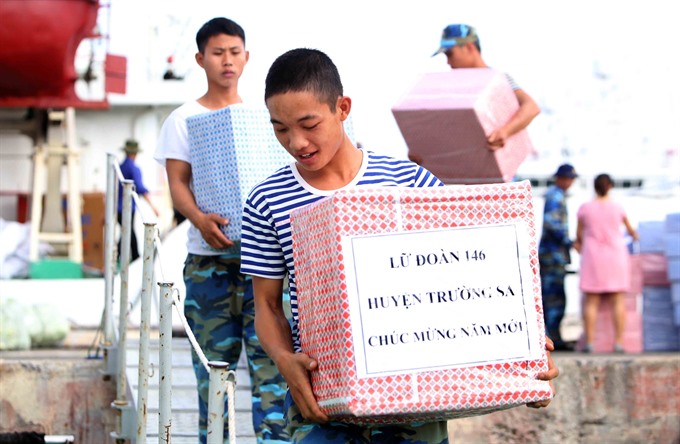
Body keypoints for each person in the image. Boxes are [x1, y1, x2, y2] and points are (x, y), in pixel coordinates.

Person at [240, 48, 559, 443]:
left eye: (309, 124)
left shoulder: (411, 184)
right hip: (323, 402)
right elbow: (267, 305)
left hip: (414, 402)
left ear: (342, 108)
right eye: (281, 129)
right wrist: (285, 360)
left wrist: (523, 347)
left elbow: (467, 281)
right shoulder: (266, 200)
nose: (297, 142)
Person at [154, 17, 289, 443]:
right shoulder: (183, 118)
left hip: (264, 265)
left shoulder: (262, 118)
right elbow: (177, 183)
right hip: (208, 264)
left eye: (234, 52)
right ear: (201, 59)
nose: (226, 61)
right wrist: (198, 219)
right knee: (212, 371)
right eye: (217, 53)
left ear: (246, 57)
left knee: (273, 368)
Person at [431, 23, 540, 151]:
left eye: (450, 54)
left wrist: (504, 132)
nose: (448, 62)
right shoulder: (450, 86)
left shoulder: (497, 80)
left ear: (469, 47)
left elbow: (531, 107)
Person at [574, 174, 639, 353]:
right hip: (616, 256)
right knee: (617, 300)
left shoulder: (585, 208)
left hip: (593, 256)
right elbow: (632, 232)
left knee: (591, 301)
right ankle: (618, 342)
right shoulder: (617, 207)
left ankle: (590, 343)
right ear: (610, 186)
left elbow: (579, 235)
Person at [539, 163, 578, 351]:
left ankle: (553, 337)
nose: (571, 182)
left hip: (552, 255)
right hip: (552, 256)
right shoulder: (555, 195)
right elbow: (551, 224)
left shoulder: (556, 194)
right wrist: (569, 242)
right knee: (554, 299)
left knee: (552, 298)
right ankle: (552, 339)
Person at [117, 139, 159, 263]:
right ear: (135, 153)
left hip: (118, 207)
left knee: (126, 230)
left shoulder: (120, 168)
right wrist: (153, 207)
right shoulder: (134, 169)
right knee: (129, 231)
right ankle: (135, 257)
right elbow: (140, 188)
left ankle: (123, 255)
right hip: (128, 206)